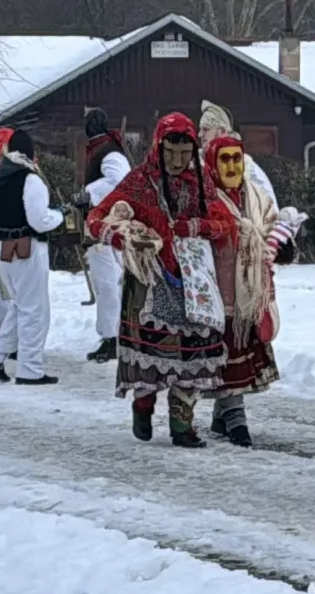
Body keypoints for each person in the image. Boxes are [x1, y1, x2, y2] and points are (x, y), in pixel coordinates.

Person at [88, 112, 225, 446]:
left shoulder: (203, 182)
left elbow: (225, 222)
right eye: (170, 152)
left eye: (184, 153)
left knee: (193, 353)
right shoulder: (139, 181)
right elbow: (96, 218)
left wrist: (200, 227)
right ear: (158, 147)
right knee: (154, 352)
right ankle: (144, 404)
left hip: (193, 281)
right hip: (149, 280)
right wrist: (122, 237)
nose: (178, 161)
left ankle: (182, 425)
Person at [198, 133, 285, 442]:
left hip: (249, 290)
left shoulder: (256, 196)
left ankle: (222, 418)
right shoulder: (203, 198)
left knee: (242, 349)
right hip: (218, 290)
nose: (232, 166)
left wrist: (282, 245)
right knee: (226, 352)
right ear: (212, 162)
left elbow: (274, 225)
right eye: (225, 159)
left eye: (236, 158)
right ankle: (236, 418)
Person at [0, 127, 64, 385]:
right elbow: (39, 220)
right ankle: (30, 369)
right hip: (28, 248)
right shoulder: (30, 179)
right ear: (31, 153)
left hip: (3, 248)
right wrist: (60, 215)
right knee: (35, 311)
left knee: (20, 306)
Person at [81, 107, 132, 363]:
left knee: (107, 283)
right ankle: (113, 335)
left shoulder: (109, 151)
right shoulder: (101, 148)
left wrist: (89, 192)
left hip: (107, 225)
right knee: (107, 283)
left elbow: (121, 181)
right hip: (101, 223)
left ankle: (113, 337)